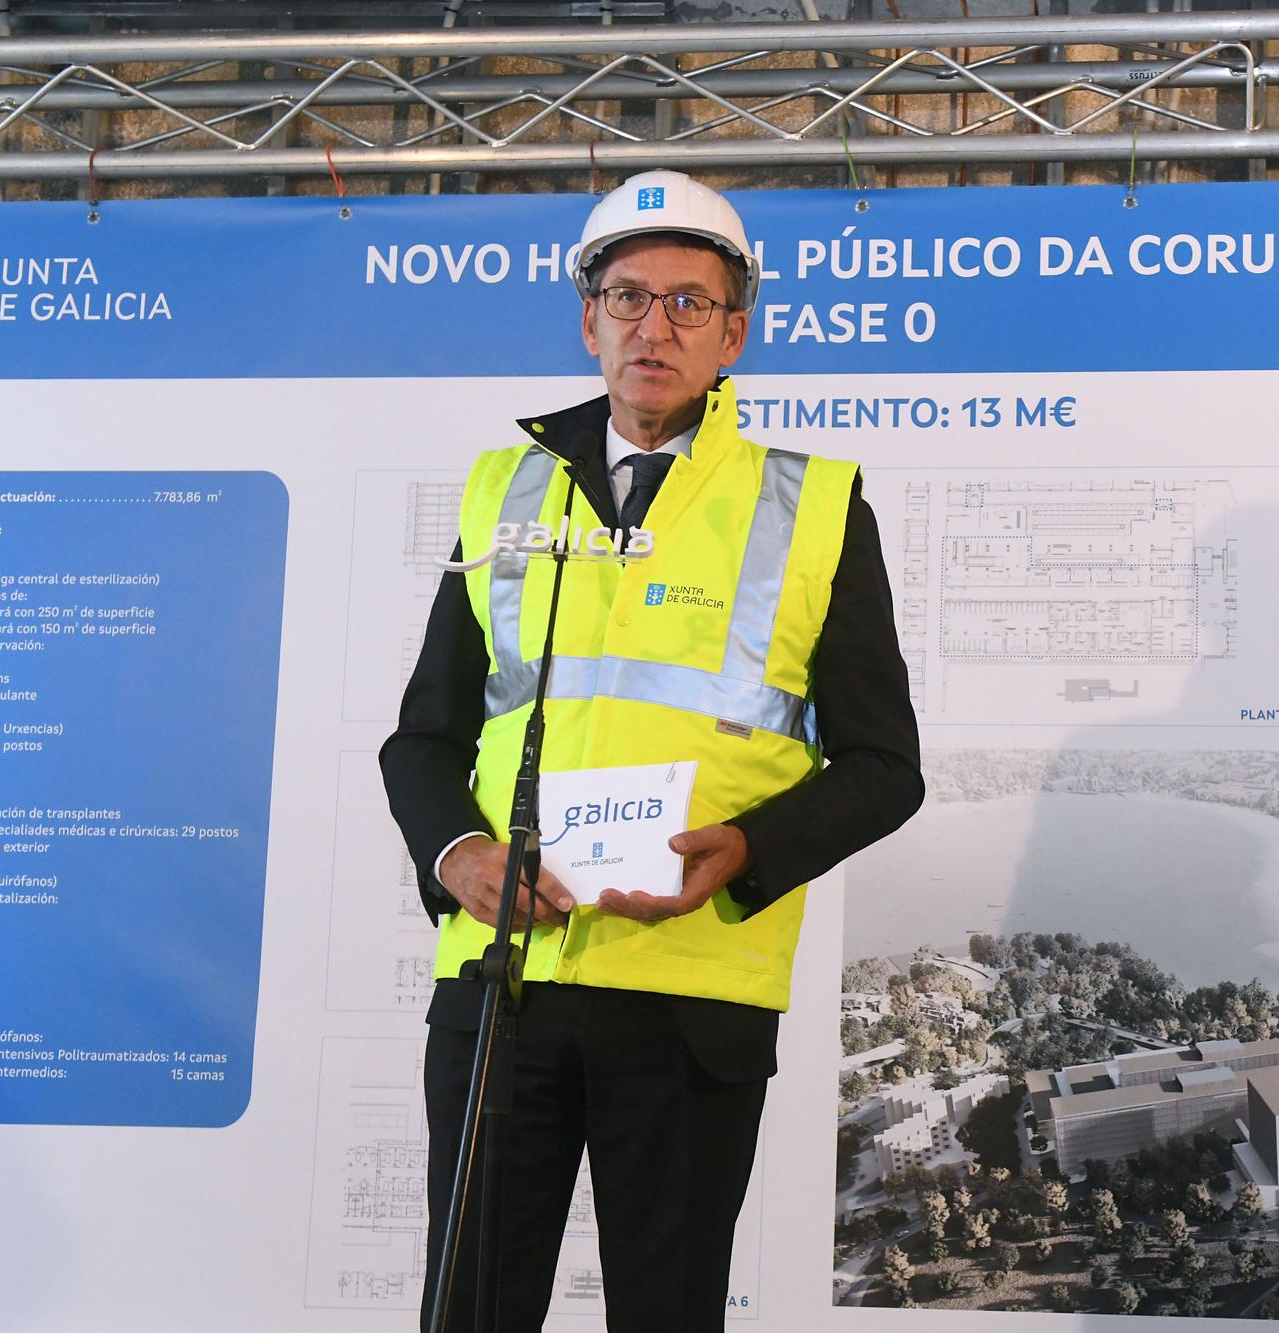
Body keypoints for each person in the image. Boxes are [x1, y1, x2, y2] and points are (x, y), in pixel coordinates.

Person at [379, 170, 923, 1332]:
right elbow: (420, 739)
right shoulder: (501, 489)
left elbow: (885, 766)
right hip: (502, 980)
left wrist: (747, 848)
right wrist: (459, 855)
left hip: (687, 996)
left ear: (736, 332)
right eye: (627, 298)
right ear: (589, 321)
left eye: (689, 303)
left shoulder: (816, 505)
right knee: (466, 1310)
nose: (653, 327)